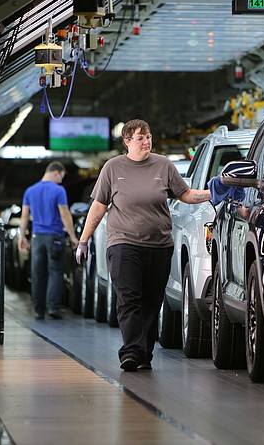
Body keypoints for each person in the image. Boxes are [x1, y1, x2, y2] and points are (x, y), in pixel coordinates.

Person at [75, 119, 213, 372]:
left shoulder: (163, 165)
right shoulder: (113, 168)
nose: (146, 141)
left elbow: (185, 195)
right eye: (140, 138)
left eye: (148, 136)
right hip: (123, 244)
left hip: (159, 246)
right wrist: (83, 241)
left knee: (152, 301)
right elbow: (98, 206)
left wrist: (212, 193)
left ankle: (144, 352)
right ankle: (131, 351)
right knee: (129, 299)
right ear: (127, 142)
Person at [19, 161, 78, 320]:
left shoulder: (30, 191)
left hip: (37, 238)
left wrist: (22, 236)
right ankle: (53, 308)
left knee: (38, 274)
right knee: (55, 272)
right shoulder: (58, 190)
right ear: (56, 172)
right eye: (62, 177)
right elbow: (65, 214)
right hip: (54, 238)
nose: (61, 181)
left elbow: (24, 216)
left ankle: (39, 310)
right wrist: (73, 237)